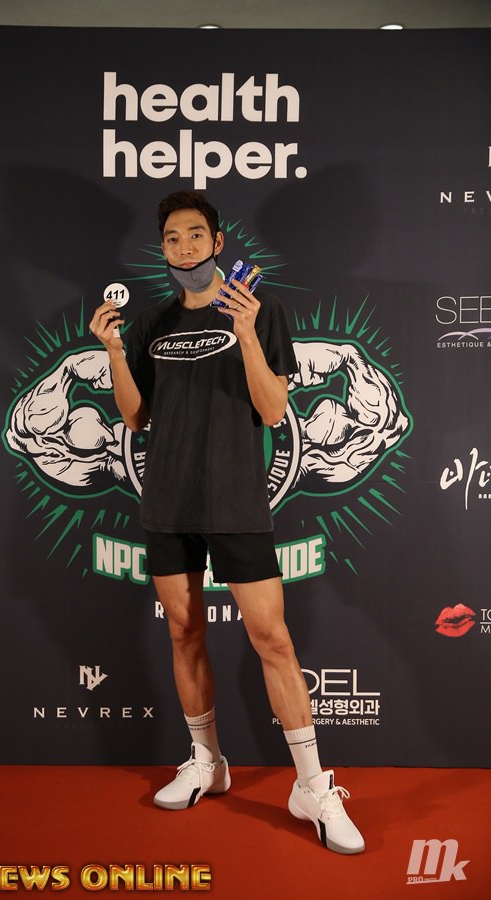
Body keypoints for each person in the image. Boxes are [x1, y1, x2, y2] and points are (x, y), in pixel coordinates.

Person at [90, 190, 364, 855]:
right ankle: (207, 761)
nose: (183, 248)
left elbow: (272, 411)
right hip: (168, 503)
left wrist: (244, 333)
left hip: (237, 500)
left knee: (273, 639)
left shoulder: (259, 310)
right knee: (183, 632)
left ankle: (312, 787)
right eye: (172, 238)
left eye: (195, 235)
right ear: (163, 249)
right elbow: (135, 418)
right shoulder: (153, 322)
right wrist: (116, 352)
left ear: (217, 243)